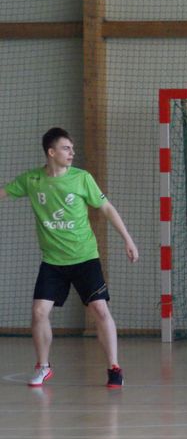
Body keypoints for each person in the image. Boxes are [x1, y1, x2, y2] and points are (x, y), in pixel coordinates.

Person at [0, 127, 138, 388]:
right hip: (52, 262)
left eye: (72, 148)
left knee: (100, 309)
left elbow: (106, 208)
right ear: (51, 152)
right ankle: (43, 367)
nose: (72, 152)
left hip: (85, 258)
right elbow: (3, 193)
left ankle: (114, 367)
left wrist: (127, 239)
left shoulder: (82, 178)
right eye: (66, 148)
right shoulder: (32, 180)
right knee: (39, 312)